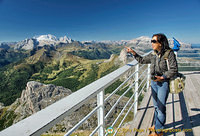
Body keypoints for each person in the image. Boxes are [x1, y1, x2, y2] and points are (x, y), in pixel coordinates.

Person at [125, 33, 178, 136]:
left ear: (161, 43)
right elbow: (142, 60)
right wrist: (133, 53)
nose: (152, 43)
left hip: (163, 83)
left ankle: (158, 132)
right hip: (154, 83)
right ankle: (157, 125)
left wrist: (163, 77)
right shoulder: (153, 53)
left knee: (161, 108)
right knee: (156, 107)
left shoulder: (169, 53)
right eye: (151, 41)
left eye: (154, 41)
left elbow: (174, 70)